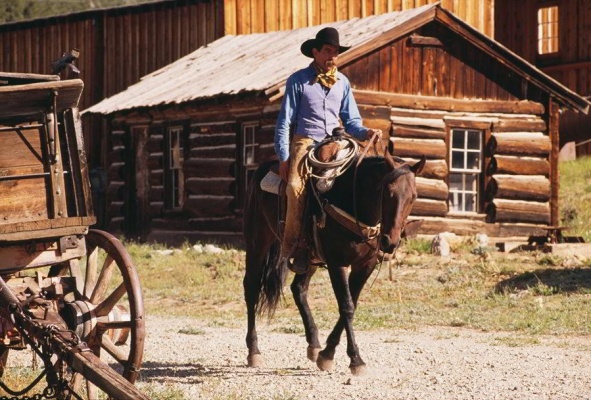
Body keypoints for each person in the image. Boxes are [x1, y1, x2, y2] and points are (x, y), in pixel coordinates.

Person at [274, 26, 382, 274]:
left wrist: (365, 132)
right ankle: (295, 246)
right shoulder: (298, 80)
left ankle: (373, 240)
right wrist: (284, 156)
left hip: (337, 140)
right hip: (306, 141)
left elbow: (351, 121)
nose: (332, 56)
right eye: (327, 51)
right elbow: (284, 121)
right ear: (315, 52)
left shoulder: (343, 82)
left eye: (335, 52)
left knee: (361, 177)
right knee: (295, 187)